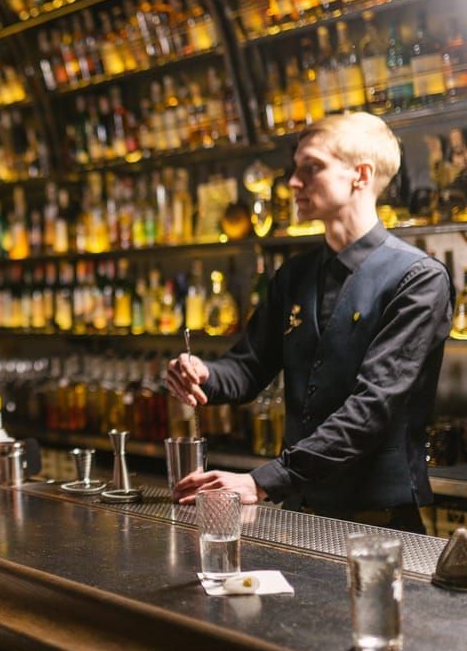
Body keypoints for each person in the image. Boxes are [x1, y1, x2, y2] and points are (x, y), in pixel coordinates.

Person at [166, 112, 451, 533]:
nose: (293, 182)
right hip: (301, 515)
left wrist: (261, 482)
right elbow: (247, 367)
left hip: (379, 523)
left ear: (361, 175)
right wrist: (202, 373)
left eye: (310, 168)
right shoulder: (294, 276)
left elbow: (371, 409)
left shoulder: (417, 279)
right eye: (295, 169)